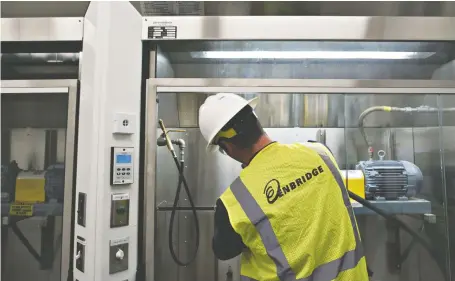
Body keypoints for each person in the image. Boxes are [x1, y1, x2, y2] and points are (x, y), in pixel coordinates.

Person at [198, 93, 369, 281]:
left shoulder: (233, 203)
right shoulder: (320, 153)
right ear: (257, 123)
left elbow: (224, 251)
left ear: (227, 148)